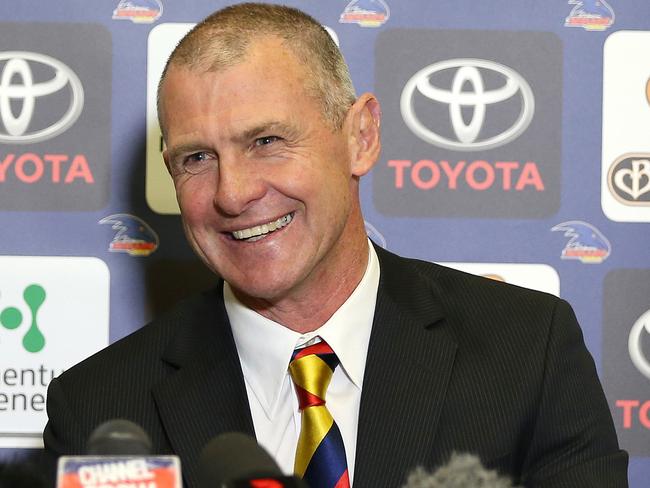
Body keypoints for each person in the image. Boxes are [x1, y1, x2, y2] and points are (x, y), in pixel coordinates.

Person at [42, 3, 628, 487]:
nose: (233, 193)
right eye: (196, 159)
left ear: (361, 138)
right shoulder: (98, 408)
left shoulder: (528, 352)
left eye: (267, 140)